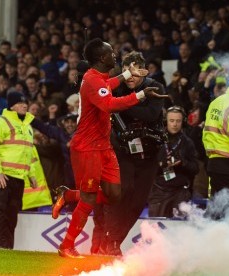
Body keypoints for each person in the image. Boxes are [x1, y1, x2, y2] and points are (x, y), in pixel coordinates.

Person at [56, 38, 165, 258]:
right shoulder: (92, 80)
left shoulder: (100, 78)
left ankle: (69, 196)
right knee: (89, 199)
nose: (114, 54)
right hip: (87, 148)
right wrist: (141, 94)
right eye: (110, 52)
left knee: (115, 194)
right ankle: (66, 245)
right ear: (101, 58)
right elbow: (109, 104)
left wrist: (127, 75)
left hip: (103, 147)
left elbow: (109, 86)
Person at [99, 51, 166, 256]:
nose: (131, 78)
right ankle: (109, 240)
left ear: (144, 72)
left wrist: (123, 105)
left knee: (137, 203)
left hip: (150, 154)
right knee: (122, 192)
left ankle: (114, 242)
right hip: (123, 152)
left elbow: (151, 114)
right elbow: (105, 103)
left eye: (136, 73)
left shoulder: (155, 87)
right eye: (128, 73)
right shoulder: (116, 87)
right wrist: (130, 102)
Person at [0, 91, 38, 249]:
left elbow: (29, 152)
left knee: (12, 214)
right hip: (3, 176)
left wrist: (31, 175)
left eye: (25, 102)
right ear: (11, 105)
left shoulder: (27, 126)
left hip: (19, 178)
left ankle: (6, 248)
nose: (24, 105)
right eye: (20, 103)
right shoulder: (0, 122)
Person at [148, 106, 199, 218]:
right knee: (156, 230)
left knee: (180, 232)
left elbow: (196, 168)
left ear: (183, 122)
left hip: (180, 193)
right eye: (171, 121)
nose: (175, 124)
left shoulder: (188, 142)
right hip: (158, 192)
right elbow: (145, 168)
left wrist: (182, 163)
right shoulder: (155, 141)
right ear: (166, 121)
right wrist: (161, 165)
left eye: (178, 121)